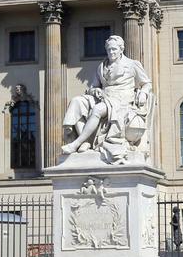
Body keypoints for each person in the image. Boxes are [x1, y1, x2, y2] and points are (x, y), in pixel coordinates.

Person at [62, 35, 152, 164]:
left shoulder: (132, 64)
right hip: (103, 96)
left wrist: (143, 93)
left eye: (114, 49)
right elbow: (92, 87)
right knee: (77, 101)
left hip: (122, 100)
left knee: (98, 109)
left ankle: (76, 143)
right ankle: (87, 142)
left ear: (121, 49)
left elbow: (147, 83)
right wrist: (95, 90)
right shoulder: (101, 66)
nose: (111, 52)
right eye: (109, 50)